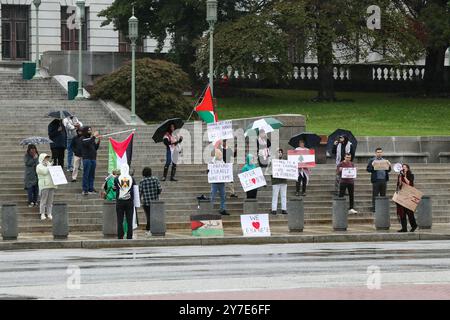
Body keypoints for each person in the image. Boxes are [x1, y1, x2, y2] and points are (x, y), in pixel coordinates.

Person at [113, 163, 136, 240]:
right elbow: (135, 190)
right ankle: (129, 235)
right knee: (129, 220)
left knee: (120, 220)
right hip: (129, 201)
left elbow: (114, 188)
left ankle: (120, 235)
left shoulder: (116, 178)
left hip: (120, 201)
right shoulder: (132, 178)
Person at [367, 147, 391, 212]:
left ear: (382, 153)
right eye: (378, 152)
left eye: (380, 152)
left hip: (383, 179)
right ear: (375, 153)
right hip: (376, 180)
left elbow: (388, 170)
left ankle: (382, 208)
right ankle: (374, 208)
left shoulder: (385, 160)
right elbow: (368, 169)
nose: (379, 153)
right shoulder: (372, 160)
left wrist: (389, 166)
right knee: (375, 194)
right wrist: (372, 165)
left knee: (383, 194)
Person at [139, 167, 162, 235]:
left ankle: (148, 229)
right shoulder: (155, 179)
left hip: (146, 202)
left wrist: (139, 201)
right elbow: (160, 189)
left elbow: (140, 192)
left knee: (148, 216)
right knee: (154, 216)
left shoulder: (142, 181)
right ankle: (154, 228)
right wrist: (156, 193)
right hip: (155, 201)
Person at [396, 164, 417, 232]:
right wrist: (400, 177)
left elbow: (409, 183)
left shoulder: (411, 175)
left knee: (409, 212)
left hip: (409, 195)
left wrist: (404, 176)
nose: (403, 168)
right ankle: (404, 228)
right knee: (402, 212)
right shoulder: (400, 175)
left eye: (404, 167)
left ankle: (414, 225)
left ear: (407, 168)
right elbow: (399, 185)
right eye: (402, 167)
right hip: (402, 195)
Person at [81, 127, 101, 195]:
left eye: (90, 130)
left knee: (92, 175)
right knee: (86, 174)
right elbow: (86, 144)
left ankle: (91, 188)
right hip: (87, 159)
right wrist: (94, 137)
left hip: (93, 159)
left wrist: (98, 141)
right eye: (89, 130)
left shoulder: (91, 139)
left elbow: (95, 148)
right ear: (85, 131)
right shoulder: (83, 138)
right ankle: (85, 189)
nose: (90, 131)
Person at [36, 153, 56, 220]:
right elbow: (44, 172)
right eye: (45, 158)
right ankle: (42, 213)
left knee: (50, 201)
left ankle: (49, 213)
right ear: (42, 158)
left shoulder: (49, 165)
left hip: (51, 184)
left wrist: (50, 166)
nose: (47, 159)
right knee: (43, 200)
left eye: (47, 158)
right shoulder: (39, 166)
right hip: (44, 185)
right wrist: (49, 166)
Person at [210, 149, 229, 215]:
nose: (221, 155)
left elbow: (225, 169)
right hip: (215, 182)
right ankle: (209, 209)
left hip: (221, 182)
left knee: (223, 196)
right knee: (212, 196)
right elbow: (210, 168)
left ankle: (222, 209)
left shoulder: (222, 161)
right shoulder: (213, 161)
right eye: (219, 154)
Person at [271, 149, 288, 215]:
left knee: (284, 195)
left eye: (281, 152)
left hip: (283, 181)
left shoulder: (285, 162)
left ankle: (284, 209)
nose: (280, 153)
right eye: (279, 152)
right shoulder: (273, 162)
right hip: (276, 181)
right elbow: (269, 171)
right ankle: (274, 209)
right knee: (275, 195)